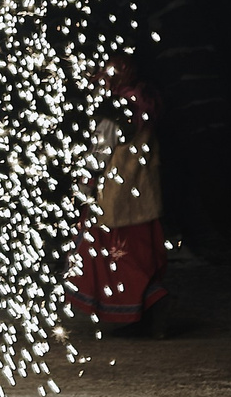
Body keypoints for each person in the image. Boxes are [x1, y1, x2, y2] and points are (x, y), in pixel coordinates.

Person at [69, 57, 172, 334]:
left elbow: (100, 153)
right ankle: (141, 318)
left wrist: (83, 188)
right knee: (138, 256)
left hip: (116, 199)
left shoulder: (117, 106)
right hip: (144, 196)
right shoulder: (147, 97)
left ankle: (154, 304)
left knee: (118, 258)